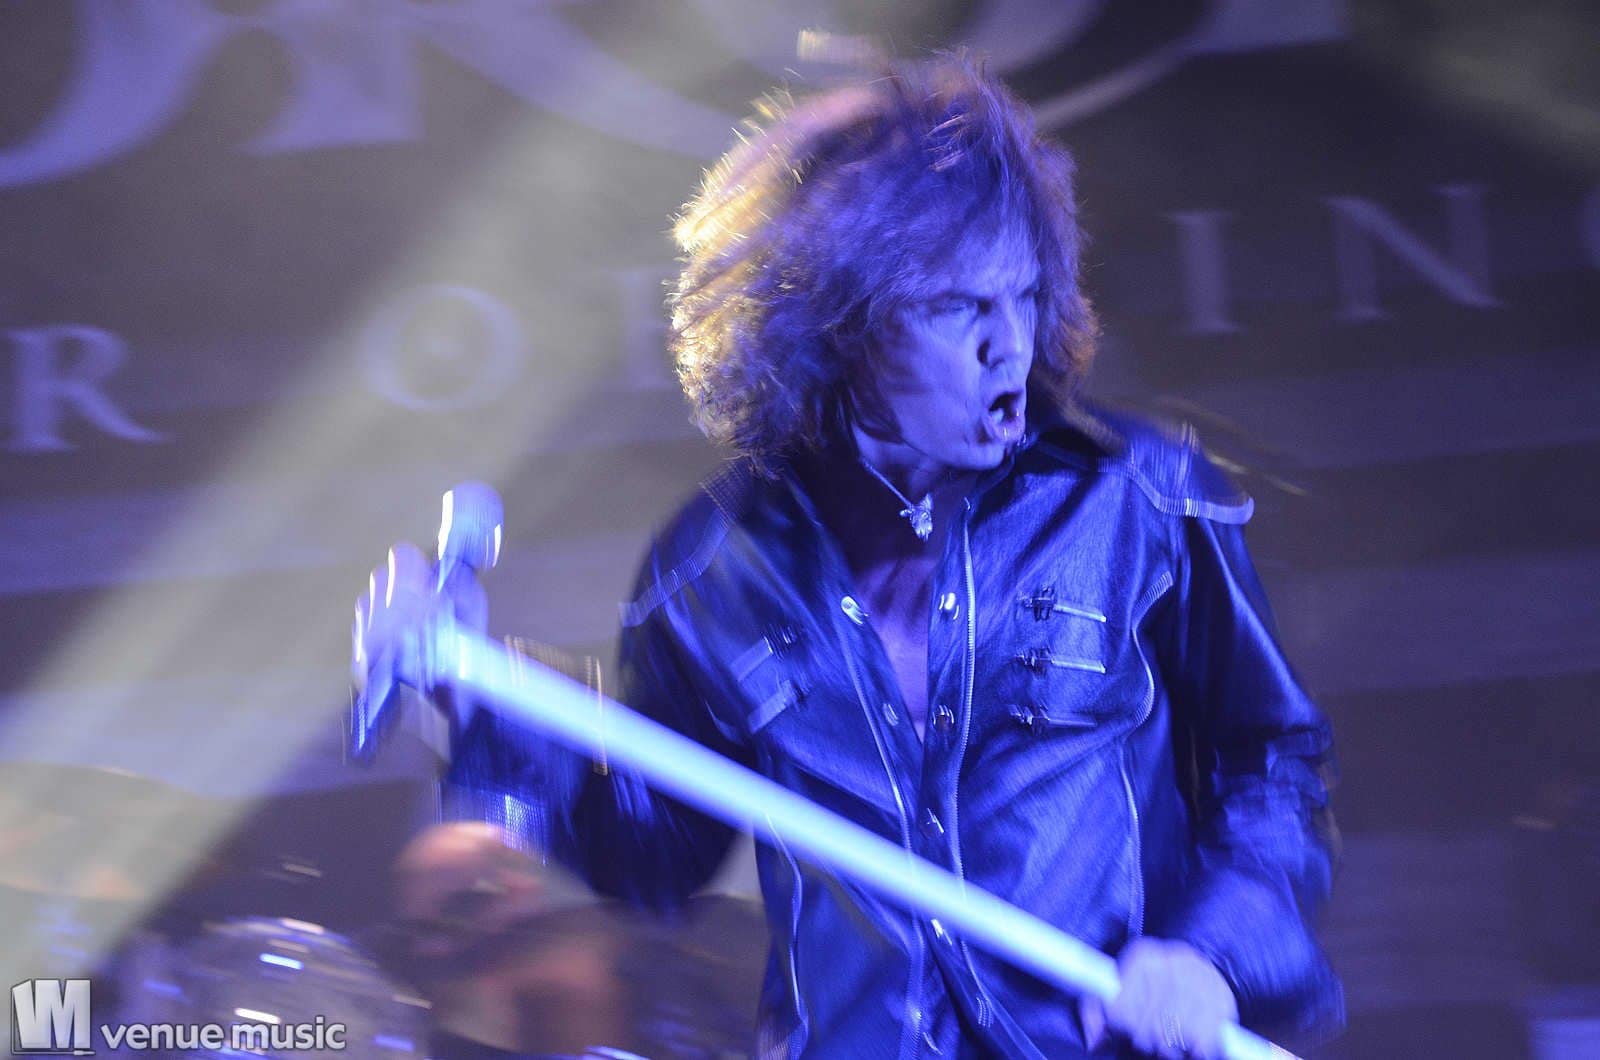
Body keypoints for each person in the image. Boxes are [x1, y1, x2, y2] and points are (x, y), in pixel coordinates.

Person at [380, 54, 1342, 1059]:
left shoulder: (1132, 498)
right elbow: (656, 858)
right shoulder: (711, 570)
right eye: (956, 307)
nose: (1009, 346)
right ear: (841, 327)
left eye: (1021, 297)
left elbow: (1272, 764)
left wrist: (1210, 953)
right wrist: (478, 696)